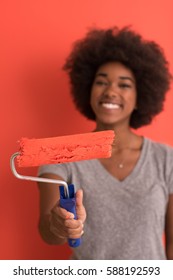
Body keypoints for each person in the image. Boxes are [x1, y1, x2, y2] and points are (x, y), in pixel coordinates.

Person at [37, 26, 173, 260]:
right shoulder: (60, 155)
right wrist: (61, 224)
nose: (111, 91)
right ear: (88, 90)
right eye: (101, 82)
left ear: (141, 96)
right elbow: (49, 230)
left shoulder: (166, 159)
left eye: (124, 85)